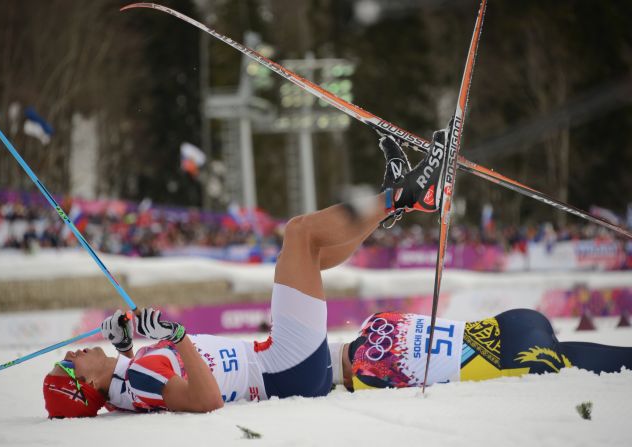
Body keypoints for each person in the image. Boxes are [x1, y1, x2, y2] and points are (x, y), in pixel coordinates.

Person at [41, 128, 451, 418]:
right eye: (70, 367)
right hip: (285, 368)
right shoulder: (137, 382)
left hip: (284, 365)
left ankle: (396, 203)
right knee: (300, 233)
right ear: (88, 387)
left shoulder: (124, 388)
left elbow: (146, 386)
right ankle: (406, 195)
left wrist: (128, 347)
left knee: (313, 255)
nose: (72, 355)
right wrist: (176, 336)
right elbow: (205, 401)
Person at [329, 309, 632, 392]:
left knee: (570, 359)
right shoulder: (375, 320)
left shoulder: (365, 375)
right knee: (566, 351)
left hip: (513, 357)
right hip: (512, 321)